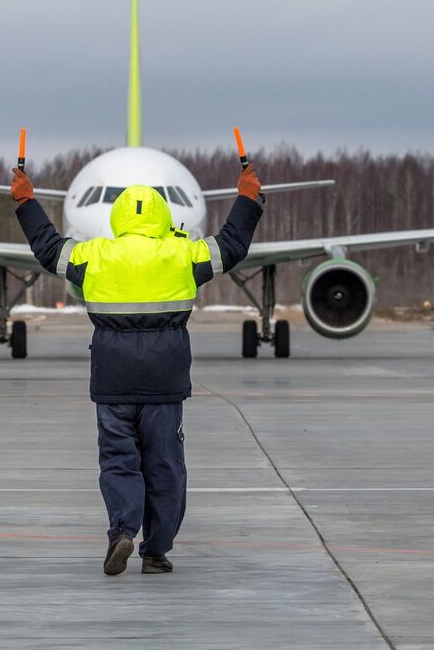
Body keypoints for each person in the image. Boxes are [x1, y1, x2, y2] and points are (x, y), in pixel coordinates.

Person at [13, 163, 263, 575]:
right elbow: (231, 246)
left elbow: (47, 247)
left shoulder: (93, 256)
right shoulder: (183, 253)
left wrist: (25, 201)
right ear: (163, 217)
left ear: (119, 218)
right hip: (164, 381)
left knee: (118, 460)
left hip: (112, 380)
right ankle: (156, 551)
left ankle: (123, 530)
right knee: (164, 464)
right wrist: (248, 200)